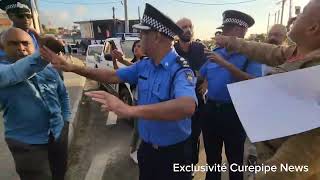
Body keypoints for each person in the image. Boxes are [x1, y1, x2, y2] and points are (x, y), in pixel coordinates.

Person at [40, 3, 197, 180]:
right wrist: (73, 67)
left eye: (143, 33)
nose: (139, 37)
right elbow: (111, 76)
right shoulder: (145, 65)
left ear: (157, 37)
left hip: (174, 155)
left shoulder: (180, 69)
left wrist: (129, 110)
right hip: (146, 150)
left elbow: (187, 106)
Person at [214, 0, 320, 179]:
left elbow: (303, 150)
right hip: (266, 150)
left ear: (313, 28)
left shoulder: (315, 71)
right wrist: (231, 42)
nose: (294, 17)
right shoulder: (297, 52)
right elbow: (267, 51)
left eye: (302, 13)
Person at [0, 28, 71, 180]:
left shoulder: (50, 70)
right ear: (3, 47)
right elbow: (17, 72)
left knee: (60, 174)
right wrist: (45, 54)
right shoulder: (3, 72)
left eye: (25, 43)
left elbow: (63, 95)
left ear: (33, 46)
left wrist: (66, 121)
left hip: (58, 134)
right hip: (27, 144)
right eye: (13, 44)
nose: (21, 48)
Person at [200, 10, 262, 180]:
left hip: (234, 113)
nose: (222, 34)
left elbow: (253, 82)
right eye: (223, 29)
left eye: (227, 30)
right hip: (211, 111)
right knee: (212, 161)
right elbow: (200, 75)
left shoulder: (251, 56)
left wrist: (226, 65)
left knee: (235, 162)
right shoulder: (216, 53)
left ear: (241, 31)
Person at [174, 18, 207, 171]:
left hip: (197, 104)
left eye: (190, 26)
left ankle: (191, 167)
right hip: (176, 104)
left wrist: (206, 80)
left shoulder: (201, 49)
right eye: (183, 27)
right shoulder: (171, 51)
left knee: (194, 137)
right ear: (176, 31)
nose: (187, 29)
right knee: (178, 139)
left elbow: (211, 69)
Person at [111, 40, 146, 164]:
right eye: (135, 46)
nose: (137, 48)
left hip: (147, 101)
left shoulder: (147, 62)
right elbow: (117, 73)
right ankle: (132, 152)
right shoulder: (134, 63)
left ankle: (140, 150)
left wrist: (121, 60)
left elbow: (138, 67)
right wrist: (115, 60)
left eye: (139, 46)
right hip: (138, 100)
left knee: (144, 128)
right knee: (137, 128)